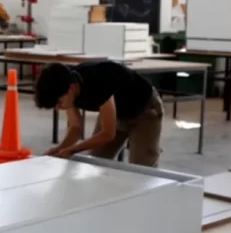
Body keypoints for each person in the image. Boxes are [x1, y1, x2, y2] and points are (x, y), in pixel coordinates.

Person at [33, 61, 165, 167]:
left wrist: (72, 150)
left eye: (59, 103)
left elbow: (108, 134)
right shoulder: (65, 83)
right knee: (96, 162)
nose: (58, 108)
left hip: (145, 110)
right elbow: (75, 127)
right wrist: (60, 149)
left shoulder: (99, 82)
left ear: (71, 88)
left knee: (142, 170)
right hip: (116, 111)